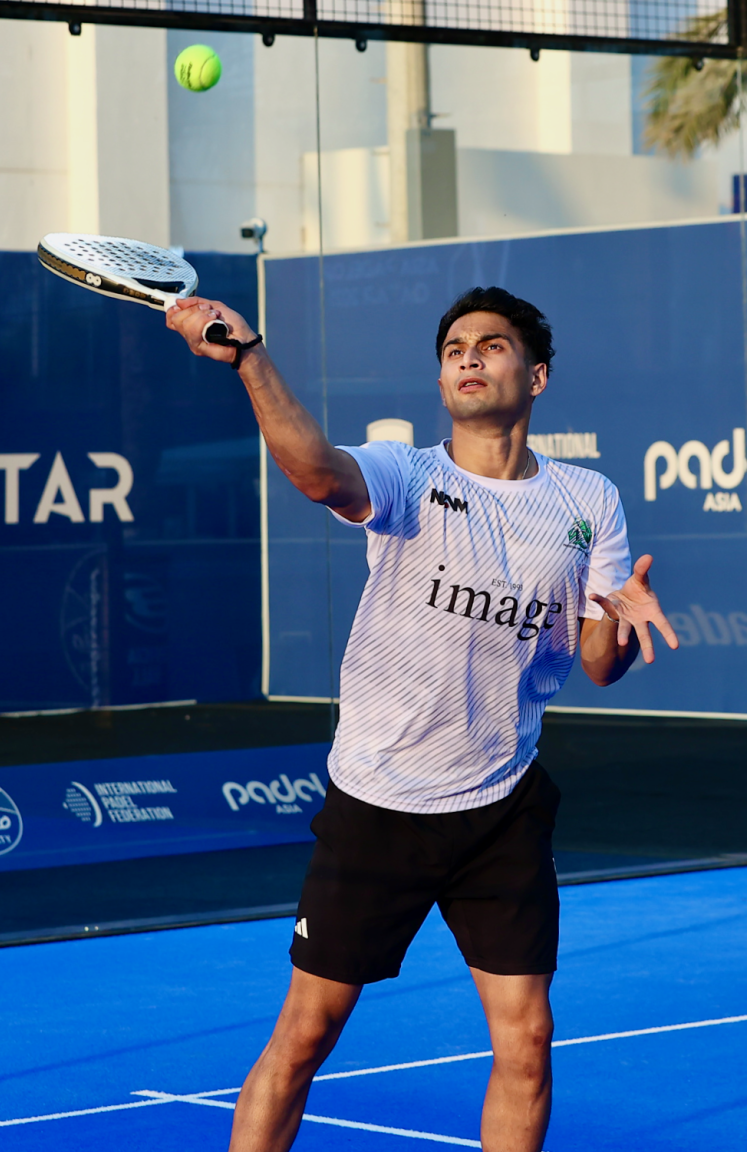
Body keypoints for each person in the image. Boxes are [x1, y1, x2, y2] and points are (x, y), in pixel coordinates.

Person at [167, 285, 678, 1152]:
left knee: (528, 1042)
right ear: (442, 382)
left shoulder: (589, 500)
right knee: (304, 1038)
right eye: (454, 350)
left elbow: (598, 662)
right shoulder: (407, 475)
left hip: (502, 803)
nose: (469, 356)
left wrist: (621, 625)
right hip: (380, 804)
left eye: (493, 344)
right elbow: (315, 470)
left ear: (537, 376)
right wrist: (249, 356)